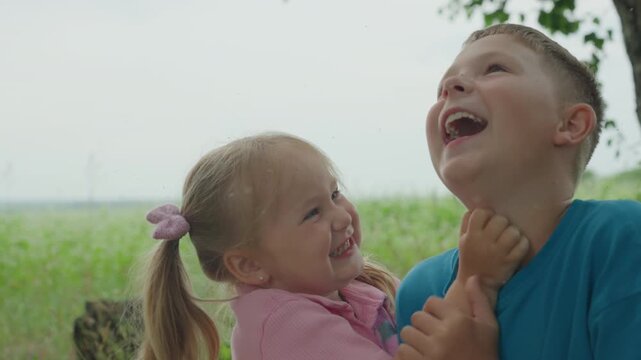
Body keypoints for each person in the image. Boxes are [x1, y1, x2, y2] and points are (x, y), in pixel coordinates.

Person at [138, 132, 528, 360]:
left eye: (335, 194)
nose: (341, 217)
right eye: (312, 213)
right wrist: (477, 277)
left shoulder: (339, 293)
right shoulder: (287, 327)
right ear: (249, 265)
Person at [396, 23, 641, 359]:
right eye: (441, 89)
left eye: (495, 69)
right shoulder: (420, 291)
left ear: (570, 125)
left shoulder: (621, 239)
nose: (449, 88)